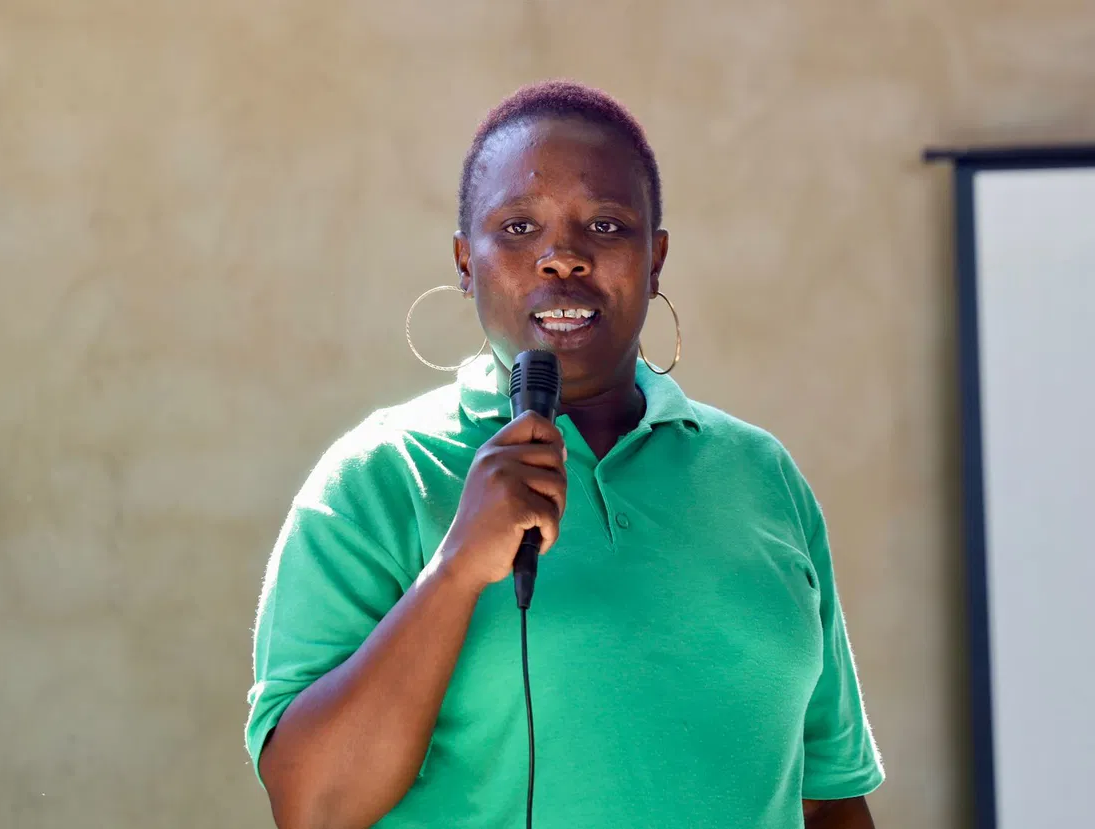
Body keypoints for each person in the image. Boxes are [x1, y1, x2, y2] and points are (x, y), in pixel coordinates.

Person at [245, 80, 884, 829]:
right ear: (464, 260)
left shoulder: (761, 479)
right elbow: (313, 807)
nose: (562, 258)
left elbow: (831, 795)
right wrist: (456, 569)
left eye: (607, 225)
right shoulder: (379, 479)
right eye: (518, 227)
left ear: (656, 258)